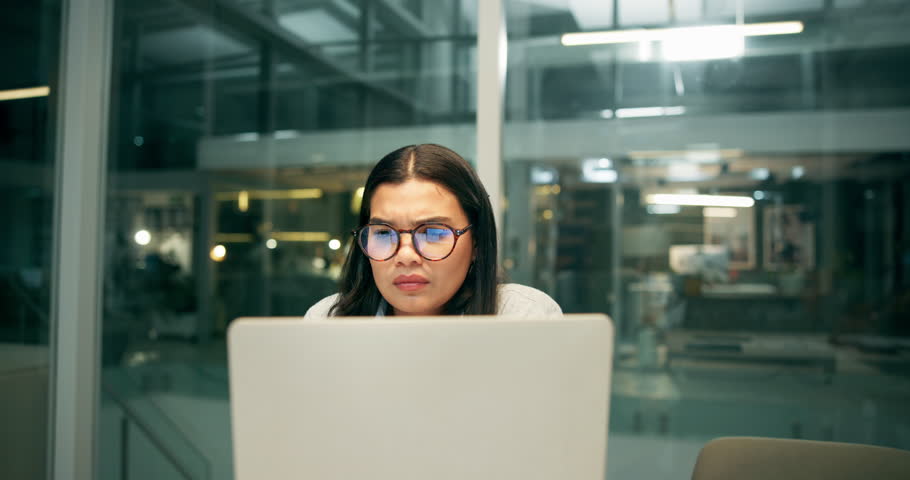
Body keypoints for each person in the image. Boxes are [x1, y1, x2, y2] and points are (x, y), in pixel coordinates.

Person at [304, 144, 562, 319]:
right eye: (383, 233)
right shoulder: (327, 321)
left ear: (477, 244)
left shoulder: (523, 316)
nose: (406, 256)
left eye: (434, 233)